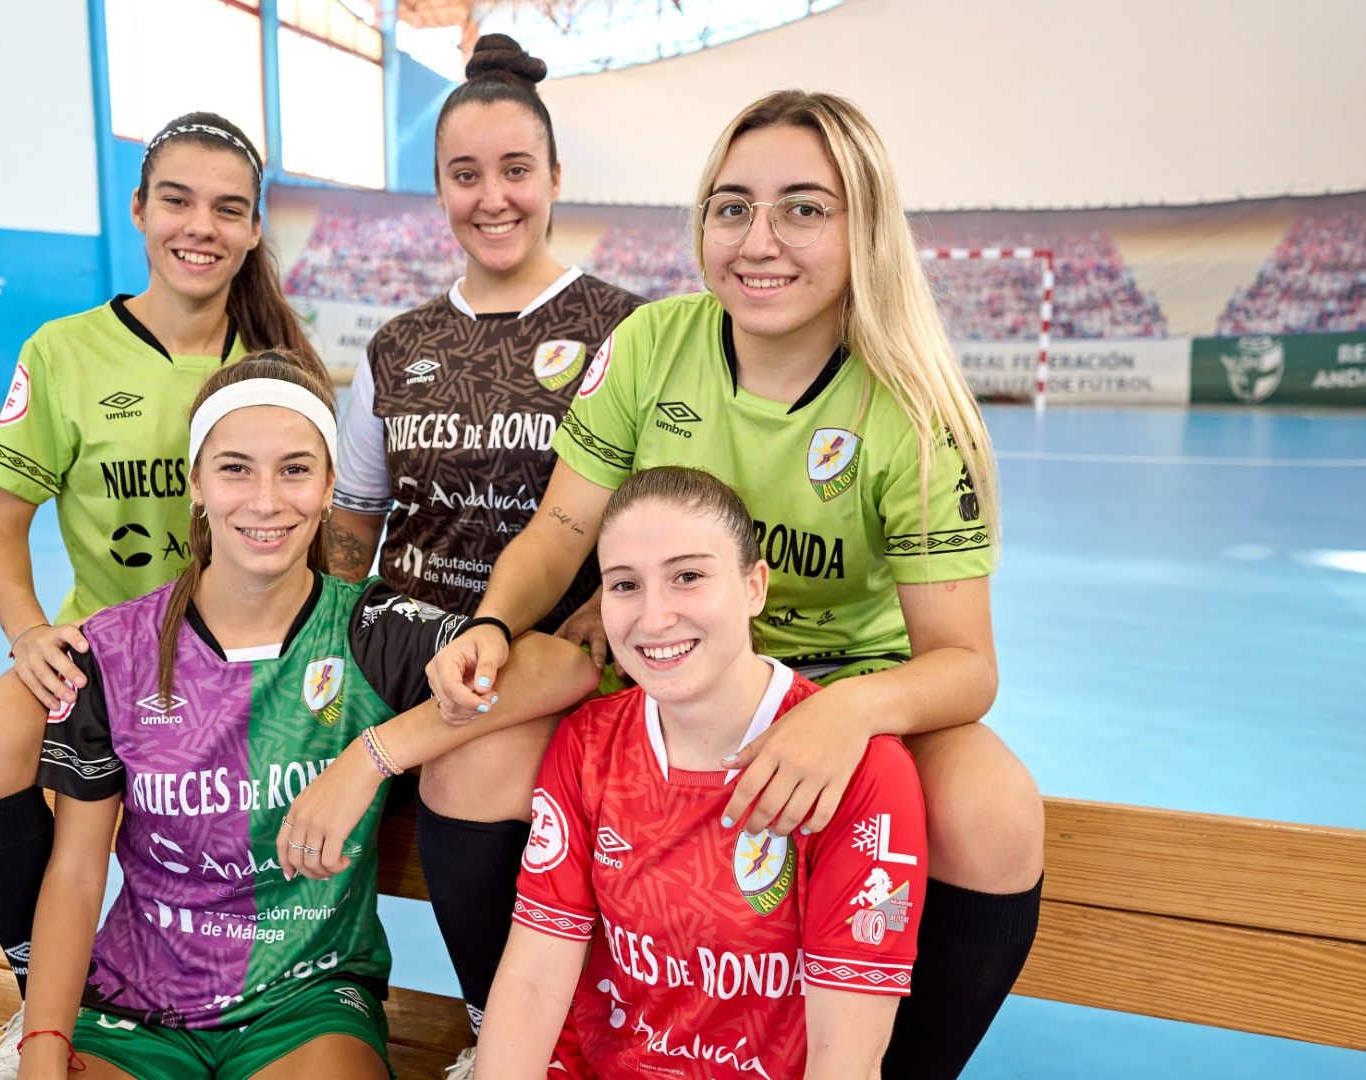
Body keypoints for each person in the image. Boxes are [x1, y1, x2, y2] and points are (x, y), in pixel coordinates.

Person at [428, 90, 1044, 1079]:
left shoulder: (916, 414)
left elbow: (966, 666)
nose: (759, 240)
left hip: (844, 689)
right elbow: (561, 527)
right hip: (674, 668)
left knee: (993, 810)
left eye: (804, 207)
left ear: (865, 229)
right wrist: (496, 622)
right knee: (469, 763)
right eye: (732, 206)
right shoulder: (648, 346)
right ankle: (503, 1039)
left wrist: (845, 716)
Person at [1, 353, 596, 1078]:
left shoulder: (370, 629)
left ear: (328, 490)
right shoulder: (114, 649)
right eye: (234, 469)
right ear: (195, 484)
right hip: (133, 1006)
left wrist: (372, 753)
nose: (265, 501)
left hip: (308, 1000)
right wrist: (41, 1044)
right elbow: (75, 871)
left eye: (293, 470)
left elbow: (565, 667)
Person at [0, 112, 322, 1073]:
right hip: (102, 657)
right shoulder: (64, 351)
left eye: (229, 210)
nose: (202, 226)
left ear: (252, 229)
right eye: (178, 201)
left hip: (241, 659)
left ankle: (267, 993)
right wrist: (30, 633)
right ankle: (44, 1000)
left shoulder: (277, 363)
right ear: (140, 209)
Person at [322, 32, 643, 1056]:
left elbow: (646, 514)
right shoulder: (397, 344)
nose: (492, 198)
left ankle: (502, 1036)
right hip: (401, 647)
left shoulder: (624, 331)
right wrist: (310, 651)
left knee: (474, 772)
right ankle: (275, 999)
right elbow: (355, 526)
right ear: (439, 189)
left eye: (515, 171)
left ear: (555, 179)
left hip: (544, 673)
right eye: (466, 175)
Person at [477, 466, 928, 1079]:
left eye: (687, 576)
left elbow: (844, 1058)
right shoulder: (589, 742)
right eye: (625, 585)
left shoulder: (862, 772)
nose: (654, 617)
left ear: (754, 587)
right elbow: (533, 982)